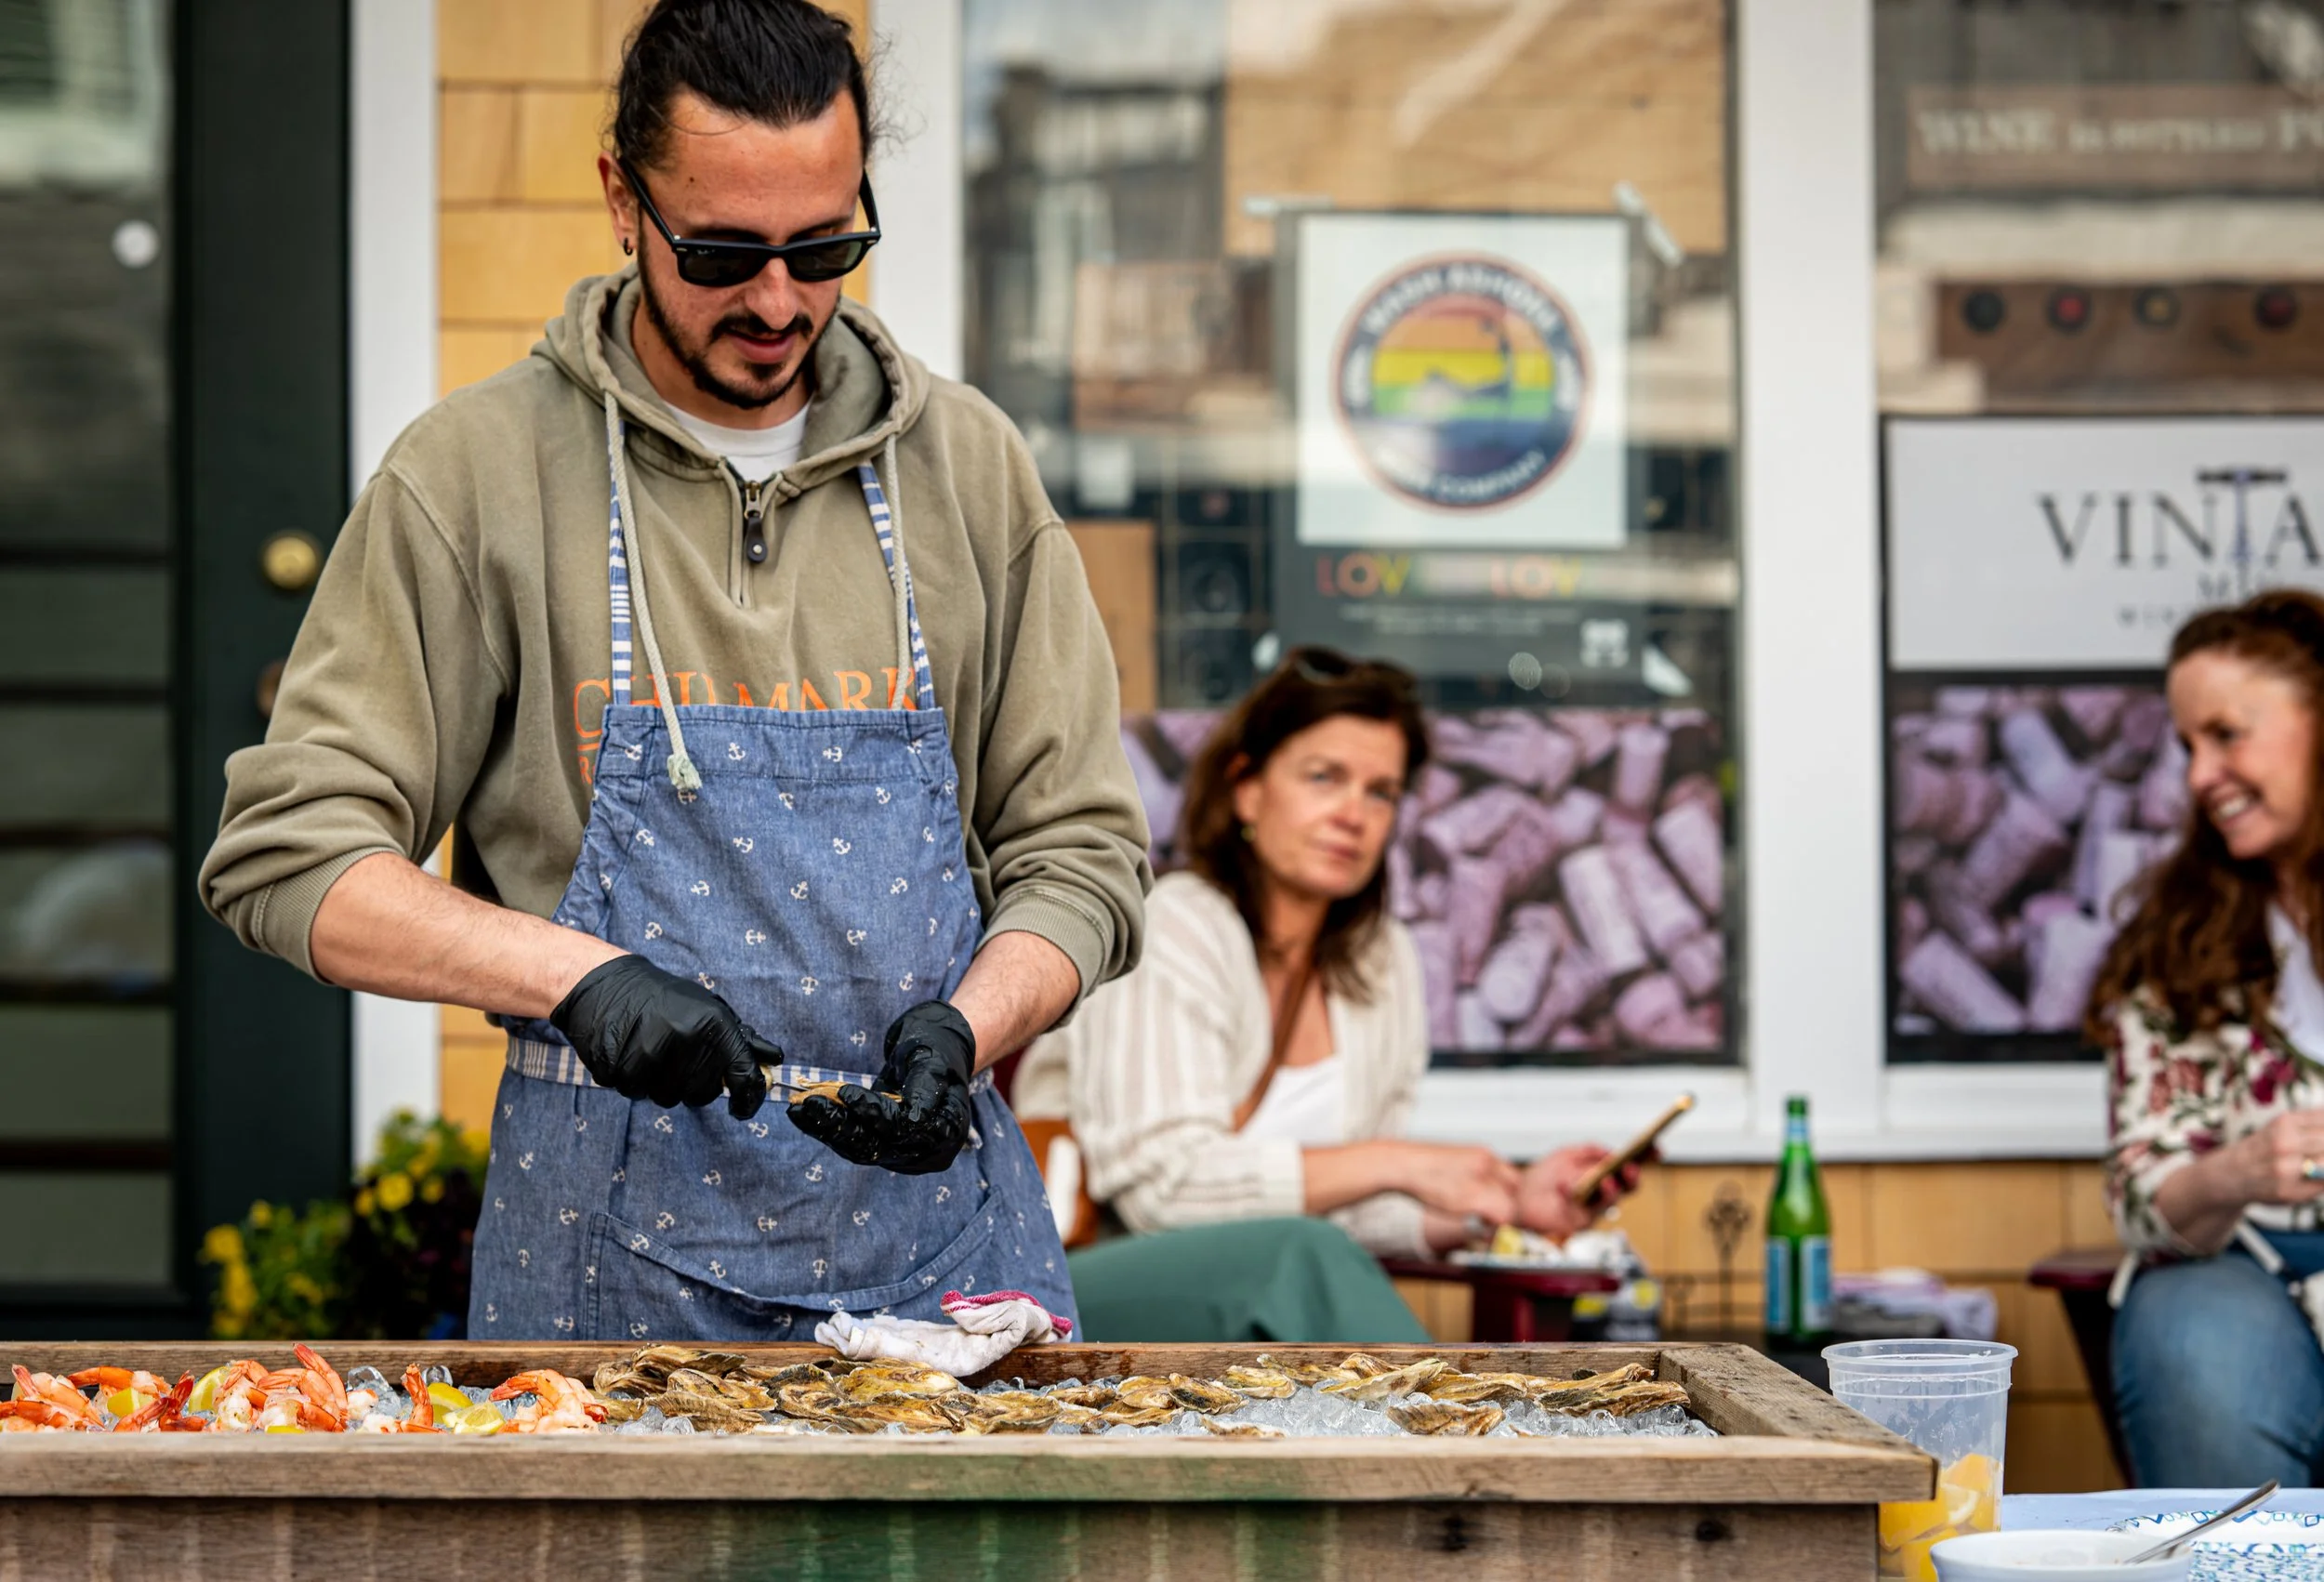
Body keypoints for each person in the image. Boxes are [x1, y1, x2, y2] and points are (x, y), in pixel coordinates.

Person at [198, 0, 1149, 1342]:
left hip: (948, 1275)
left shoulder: (970, 475)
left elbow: (1084, 853)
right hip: (608, 1287)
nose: (777, 302)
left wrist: (975, 1023)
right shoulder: (475, 479)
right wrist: (569, 975)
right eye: (721, 251)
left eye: (826, 247)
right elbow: (286, 856)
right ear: (620, 203)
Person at [1013, 648, 1639, 1341]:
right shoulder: (1175, 924)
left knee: (1307, 1254)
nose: (1354, 813)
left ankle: (1463, 1439)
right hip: (1074, 1286)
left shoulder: (1382, 961)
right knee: (1300, 1257)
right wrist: (1404, 1163)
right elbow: (1165, 1191)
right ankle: (1466, 1442)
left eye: (1381, 792)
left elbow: (1345, 1211)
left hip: (1254, 1303)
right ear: (1246, 788)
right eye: (1324, 777)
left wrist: (1496, 1206)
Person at [2093, 588, 2324, 1487]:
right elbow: (2138, 1196)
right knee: (2195, 1344)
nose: (2198, 775)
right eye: (2188, 745)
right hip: (2240, 1262)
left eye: (2226, 735)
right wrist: (2235, 1170)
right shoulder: (2179, 942)